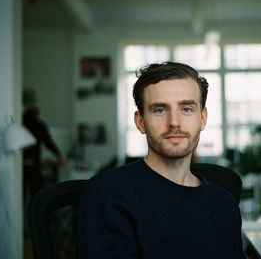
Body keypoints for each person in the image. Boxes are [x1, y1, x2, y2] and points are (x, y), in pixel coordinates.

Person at [77, 61, 245, 258]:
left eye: (187, 109)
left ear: (203, 118)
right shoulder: (108, 193)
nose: (174, 122)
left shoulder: (224, 203)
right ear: (140, 122)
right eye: (159, 110)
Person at [22, 91, 66, 197]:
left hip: (22, 163)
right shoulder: (39, 125)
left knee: (21, 195)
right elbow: (48, 142)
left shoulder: (21, 124)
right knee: (36, 194)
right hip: (34, 164)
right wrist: (59, 154)